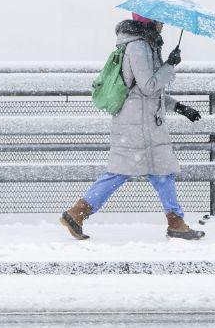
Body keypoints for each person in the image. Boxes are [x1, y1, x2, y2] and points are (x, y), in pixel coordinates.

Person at [60, 13, 206, 241]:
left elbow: (150, 92)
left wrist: (179, 107)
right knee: (122, 173)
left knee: (161, 172)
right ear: (148, 21)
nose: (163, 24)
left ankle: (175, 222)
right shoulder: (138, 47)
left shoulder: (148, 45)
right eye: (160, 20)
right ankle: (77, 212)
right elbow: (149, 87)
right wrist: (170, 65)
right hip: (135, 125)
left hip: (145, 123)